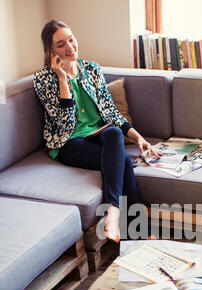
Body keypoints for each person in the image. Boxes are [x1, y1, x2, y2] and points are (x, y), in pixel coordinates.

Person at [33, 20, 161, 243]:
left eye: (71, 39)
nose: (70, 47)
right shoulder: (42, 80)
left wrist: (138, 137)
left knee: (113, 133)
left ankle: (113, 211)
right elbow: (64, 124)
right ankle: (141, 233)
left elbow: (110, 111)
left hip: (99, 135)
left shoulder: (92, 69)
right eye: (61, 44)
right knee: (124, 162)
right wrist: (63, 80)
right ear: (50, 50)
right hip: (68, 143)